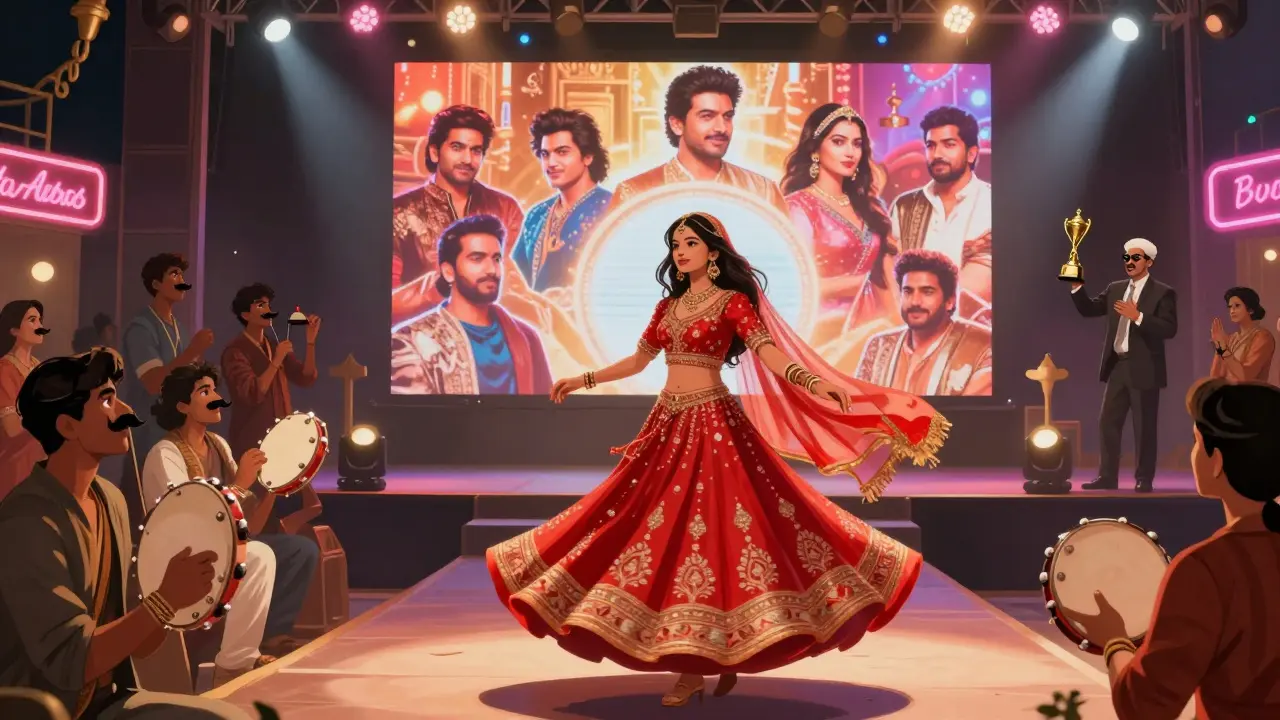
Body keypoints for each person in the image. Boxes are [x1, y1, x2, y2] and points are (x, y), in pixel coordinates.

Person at [487, 212, 950, 707]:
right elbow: (640, 361)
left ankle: (697, 666)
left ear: (713, 251)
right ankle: (697, 660)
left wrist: (812, 382)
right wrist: (585, 379)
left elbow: (769, 354)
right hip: (667, 425)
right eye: (675, 244)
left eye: (690, 243)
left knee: (714, 542)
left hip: (714, 428)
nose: (680, 251)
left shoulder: (733, 303)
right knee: (640, 527)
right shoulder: (667, 306)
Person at [0, 348, 250, 719]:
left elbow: (139, 644)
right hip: (48, 709)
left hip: (109, 699)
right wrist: (164, 599)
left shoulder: (111, 500)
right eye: (106, 399)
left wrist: (177, 603)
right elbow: (72, 659)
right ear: (67, 426)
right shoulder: (27, 520)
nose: (125, 412)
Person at [1064, 378, 1280, 719]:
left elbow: (1145, 707)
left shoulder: (1206, 569)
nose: (1193, 453)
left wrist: (1114, 640)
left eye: (1196, 443)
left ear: (1217, 461)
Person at [141, 363, 279, 687]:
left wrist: (274, 484)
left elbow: (247, 520)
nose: (217, 398)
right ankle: (233, 667)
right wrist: (242, 483)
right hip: (177, 561)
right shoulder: (165, 454)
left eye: (215, 390)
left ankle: (237, 662)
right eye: (205, 392)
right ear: (182, 406)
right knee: (256, 557)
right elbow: (189, 521)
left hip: (218, 550)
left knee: (260, 554)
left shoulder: (219, 445)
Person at [219, 284, 322, 656]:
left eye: (269, 304)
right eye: (261, 305)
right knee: (256, 531)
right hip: (254, 452)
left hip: (281, 451)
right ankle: (254, 628)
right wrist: (277, 360)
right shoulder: (236, 351)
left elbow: (307, 378)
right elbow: (250, 394)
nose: (268, 310)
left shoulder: (271, 342)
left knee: (285, 531)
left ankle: (275, 626)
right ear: (246, 313)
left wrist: (309, 343)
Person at [392, 214, 553, 395]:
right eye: (477, 258)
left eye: (496, 259)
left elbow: (544, 409)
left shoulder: (526, 337)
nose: (492, 269)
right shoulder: (411, 342)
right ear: (448, 272)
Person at [605, 66, 788, 216]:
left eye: (727, 117)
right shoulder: (635, 194)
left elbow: (786, 257)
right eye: (707, 116)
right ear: (677, 124)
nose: (721, 128)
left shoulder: (763, 192)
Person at [1070, 238, 1177, 493]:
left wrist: (1137, 316)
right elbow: (1090, 309)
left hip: (1144, 368)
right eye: (1126, 258)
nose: (1129, 262)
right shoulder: (1116, 288)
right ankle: (1107, 476)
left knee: (1144, 426)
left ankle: (1144, 478)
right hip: (1118, 365)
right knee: (1107, 421)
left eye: (1136, 258)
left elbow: (1169, 328)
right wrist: (1077, 288)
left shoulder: (1163, 292)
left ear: (1149, 262)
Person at [781, 104, 898, 326]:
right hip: (823, 330)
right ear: (815, 149)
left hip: (874, 327)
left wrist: (902, 332)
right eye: (838, 142)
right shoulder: (799, 207)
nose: (850, 152)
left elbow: (889, 280)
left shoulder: (872, 208)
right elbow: (795, 284)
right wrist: (859, 283)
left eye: (857, 144)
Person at [121, 254, 216, 510]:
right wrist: (192, 351)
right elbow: (153, 382)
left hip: (175, 429)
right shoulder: (141, 327)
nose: (182, 281)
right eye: (174, 275)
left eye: (182, 275)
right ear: (155, 284)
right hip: (147, 429)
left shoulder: (179, 328)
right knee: (143, 504)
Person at [888, 106, 992, 322]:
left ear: (971, 153)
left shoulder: (993, 203)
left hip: (978, 332)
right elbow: (891, 280)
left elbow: (980, 289)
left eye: (949, 145)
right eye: (931, 145)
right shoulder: (905, 206)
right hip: (911, 330)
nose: (937, 154)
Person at [853, 249, 992, 396]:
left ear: (950, 301)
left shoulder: (982, 346)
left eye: (927, 292)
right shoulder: (878, 346)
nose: (915, 301)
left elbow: (973, 415)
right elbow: (860, 409)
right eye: (908, 291)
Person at [511, 108, 613, 296]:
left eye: (562, 152)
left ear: (588, 156)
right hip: (533, 321)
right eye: (545, 154)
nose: (551, 163)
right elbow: (513, 281)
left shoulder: (611, 209)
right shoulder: (536, 215)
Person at [0, 300, 49, 500]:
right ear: (13, 329)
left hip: (43, 465)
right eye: (32, 320)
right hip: (16, 467)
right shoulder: (5, 370)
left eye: (40, 320)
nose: (40, 326)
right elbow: (12, 428)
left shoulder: (40, 368)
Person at [1210, 286, 1274, 383]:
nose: (1232, 311)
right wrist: (1219, 346)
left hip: (1251, 395)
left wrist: (1223, 348)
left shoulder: (1263, 337)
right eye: (1230, 307)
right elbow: (1215, 377)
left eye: (1237, 306)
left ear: (1250, 310)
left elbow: (1245, 376)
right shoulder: (1231, 338)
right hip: (1227, 395)